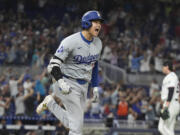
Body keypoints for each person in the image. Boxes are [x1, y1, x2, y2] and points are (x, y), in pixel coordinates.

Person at [36, 10, 103, 135]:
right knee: (76, 129)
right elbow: (53, 65)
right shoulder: (70, 41)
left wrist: (95, 87)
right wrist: (61, 82)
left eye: (100, 22)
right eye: (95, 22)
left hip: (84, 86)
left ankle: (50, 103)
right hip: (67, 82)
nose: (99, 25)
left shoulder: (98, 43)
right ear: (87, 23)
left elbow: (95, 65)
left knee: (73, 122)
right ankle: (51, 102)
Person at [158, 61, 180, 135]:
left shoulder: (171, 76)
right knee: (169, 129)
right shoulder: (172, 76)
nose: (162, 68)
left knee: (162, 127)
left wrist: (167, 104)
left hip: (171, 103)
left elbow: (171, 90)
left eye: (163, 66)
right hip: (172, 103)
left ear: (167, 67)